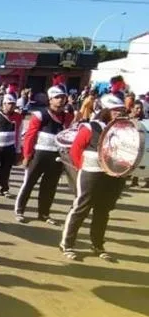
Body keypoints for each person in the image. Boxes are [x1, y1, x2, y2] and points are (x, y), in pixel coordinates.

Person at [60, 95, 129, 261]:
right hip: (91, 172)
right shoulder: (91, 127)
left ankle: (97, 244)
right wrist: (81, 169)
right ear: (105, 110)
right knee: (81, 207)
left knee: (103, 211)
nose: (119, 113)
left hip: (112, 176)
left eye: (121, 110)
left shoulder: (124, 129)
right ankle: (67, 244)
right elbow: (75, 150)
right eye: (115, 110)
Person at [14, 85, 73, 225]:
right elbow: (30, 136)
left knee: (50, 186)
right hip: (39, 155)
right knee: (28, 184)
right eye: (57, 97)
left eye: (63, 97)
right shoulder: (40, 115)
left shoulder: (68, 117)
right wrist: (27, 156)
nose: (60, 100)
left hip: (57, 157)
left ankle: (44, 213)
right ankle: (20, 210)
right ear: (50, 99)